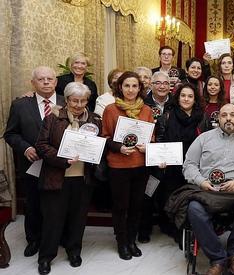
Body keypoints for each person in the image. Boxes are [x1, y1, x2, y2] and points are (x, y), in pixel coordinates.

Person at [181, 104, 234, 275]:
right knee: (194, 208)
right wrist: (201, 181)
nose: (228, 118)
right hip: (207, 188)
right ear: (218, 118)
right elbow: (189, 165)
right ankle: (218, 258)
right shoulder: (203, 139)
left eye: (233, 115)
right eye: (224, 115)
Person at [34, 82, 101, 274]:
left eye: (82, 101)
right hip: (57, 177)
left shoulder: (95, 120)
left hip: (83, 178)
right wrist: (63, 159)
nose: (78, 105)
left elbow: (99, 145)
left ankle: (74, 251)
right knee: (52, 220)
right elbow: (42, 145)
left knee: (78, 218)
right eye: (74, 101)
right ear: (67, 100)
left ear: (88, 101)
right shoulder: (53, 118)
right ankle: (46, 257)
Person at [4, 66, 65, 258]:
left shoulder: (68, 102)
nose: (46, 82)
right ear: (33, 83)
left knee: (58, 204)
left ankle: (59, 237)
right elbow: (10, 134)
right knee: (33, 204)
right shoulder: (20, 105)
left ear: (56, 82)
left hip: (60, 165)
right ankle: (34, 240)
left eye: (50, 79)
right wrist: (26, 148)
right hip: (31, 165)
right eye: (41, 79)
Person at [101, 71, 154, 260]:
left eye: (134, 86)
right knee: (120, 206)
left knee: (136, 206)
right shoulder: (110, 109)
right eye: (126, 86)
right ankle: (121, 242)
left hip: (140, 165)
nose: (130, 90)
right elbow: (105, 137)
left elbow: (152, 136)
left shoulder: (147, 110)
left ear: (140, 88)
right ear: (120, 87)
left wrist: (146, 146)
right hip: (118, 166)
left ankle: (132, 240)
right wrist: (119, 147)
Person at [153, 83, 203, 242]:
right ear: (177, 97)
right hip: (171, 167)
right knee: (171, 197)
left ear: (195, 100)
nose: (186, 99)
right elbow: (159, 140)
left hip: (195, 166)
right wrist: (159, 158)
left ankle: (190, 228)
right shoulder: (167, 115)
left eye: (190, 96)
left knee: (191, 198)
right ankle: (174, 230)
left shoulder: (202, 117)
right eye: (183, 95)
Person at [138, 71, 173, 243]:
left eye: (165, 83)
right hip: (147, 155)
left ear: (169, 86)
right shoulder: (142, 104)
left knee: (168, 191)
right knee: (147, 193)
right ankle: (144, 228)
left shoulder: (175, 103)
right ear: (151, 85)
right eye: (157, 83)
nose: (161, 86)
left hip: (170, 155)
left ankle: (167, 225)